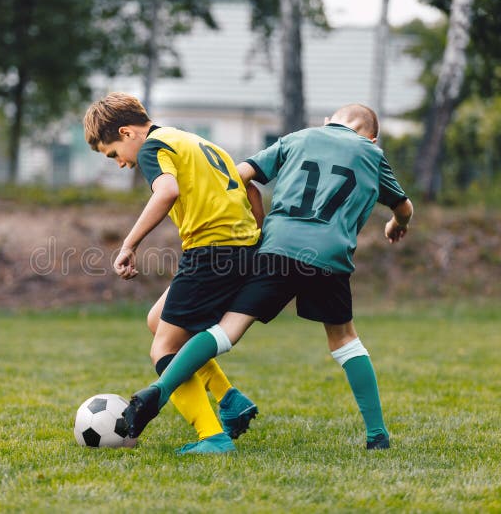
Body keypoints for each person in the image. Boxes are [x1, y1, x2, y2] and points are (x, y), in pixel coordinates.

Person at [124, 103, 414, 450]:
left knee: (226, 331)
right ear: (372, 136)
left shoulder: (296, 139)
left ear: (326, 123)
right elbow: (404, 206)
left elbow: (239, 175)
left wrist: (247, 222)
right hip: (329, 257)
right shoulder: (371, 154)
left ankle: (160, 390)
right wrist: (398, 224)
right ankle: (377, 435)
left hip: (277, 249)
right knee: (345, 341)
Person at [83, 92, 263, 454]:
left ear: (127, 133)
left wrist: (129, 244)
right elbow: (250, 187)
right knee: (157, 320)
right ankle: (229, 398)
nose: (119, 163)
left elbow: (166, 192)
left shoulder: (152, 146)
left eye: (113, 153)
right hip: (238, 248)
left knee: (163, 348)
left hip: (212, 252)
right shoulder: (193, 140)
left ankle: (212, 436)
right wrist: (252, 239)